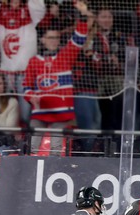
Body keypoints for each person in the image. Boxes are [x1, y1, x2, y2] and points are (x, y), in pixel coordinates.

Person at [23, 0, 93, 154]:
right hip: (40, 112)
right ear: (42, 40)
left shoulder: (65, 56)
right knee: (32, 148)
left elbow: (79, 37)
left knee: (56, 148)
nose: (53, 41)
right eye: (50, 38)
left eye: (56, 38)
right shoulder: (34, 61)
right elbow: (26, 87)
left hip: (61, 114)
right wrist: (31, 97)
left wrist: (82, 15)